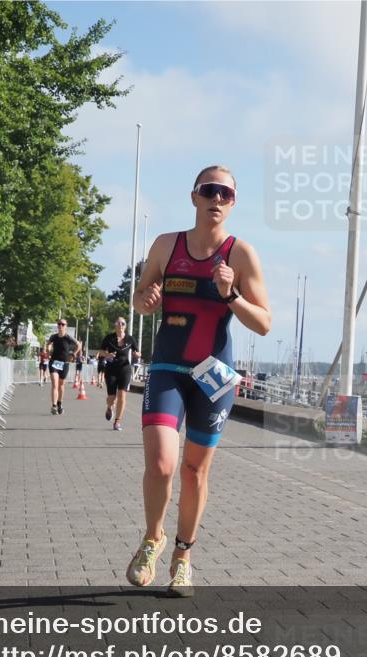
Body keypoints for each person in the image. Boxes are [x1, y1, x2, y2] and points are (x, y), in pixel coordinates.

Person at [129, 165, 270, 597]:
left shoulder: (240, 254)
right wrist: (146, 300)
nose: (217, 198)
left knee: (194, 472)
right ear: (194, 197)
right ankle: (153, 538)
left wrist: (231, 294)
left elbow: (264, 322)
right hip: (168, 368)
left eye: (226, 193)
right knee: (162, 464)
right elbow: (139, 297)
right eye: (209, 190)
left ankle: (183, 555)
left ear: (233, 203)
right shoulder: (166, 246)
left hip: (214, 377)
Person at [99, 317, 141, 431]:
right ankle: (109, 407)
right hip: (111, 370)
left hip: (124, 369)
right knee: (111, 397)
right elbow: (101, 351)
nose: (120, 325)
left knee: (122, 394)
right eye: (118, 323)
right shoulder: (109, 338)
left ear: (125, 326)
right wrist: (107, 355)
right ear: (115, 325)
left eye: (123, 323)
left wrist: (136, 354)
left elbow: (138, 352)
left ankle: (117, 421)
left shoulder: (130, 339)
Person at [45, 320, 81, 415]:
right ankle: (54, 406)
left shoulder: (68, 338)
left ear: (66, 326)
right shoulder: (54, 337)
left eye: (63, 324)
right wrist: (48, 351)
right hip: (54, 362)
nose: (60, 326)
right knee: (55, 384)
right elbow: (48, 344)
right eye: (59, 324)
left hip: (64, 363)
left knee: (61, 385)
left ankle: (59, 403)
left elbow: (79, 345)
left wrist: (73, 354)